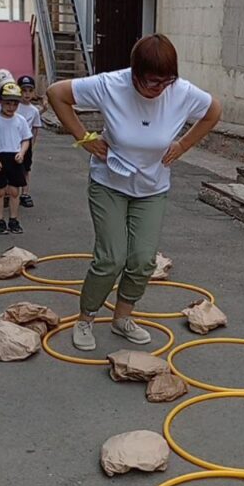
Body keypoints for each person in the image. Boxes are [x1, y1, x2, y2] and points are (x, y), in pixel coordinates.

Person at [47, 33, 222, 351]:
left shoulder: (180, 92)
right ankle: (86, 319)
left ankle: (122, 318)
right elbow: (56, 94)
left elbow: (214, 112)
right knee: (111, 258)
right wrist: (83, 136)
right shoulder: (109, 85)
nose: (160, 89)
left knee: (142, 260)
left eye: (166, 81)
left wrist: (183, 144)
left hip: (152, 188)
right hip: (109, 183)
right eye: (153, 82)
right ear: (135, 75)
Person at [0, 82, 32, 235]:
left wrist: (22, 153)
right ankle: (0, 220)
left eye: (14, 103)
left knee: (14, 191)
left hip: (15, 157)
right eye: (7, 103)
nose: (11, 107)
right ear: (0, 102)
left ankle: (13, 219)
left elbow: (26, 139)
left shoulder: (20, 120)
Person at [16, 75, 42, 208]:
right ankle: (10, 193)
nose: (27, 94)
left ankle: (24, 193)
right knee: (12, 167)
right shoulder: (14, 106)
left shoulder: (34, 111)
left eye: (29, 91)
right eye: (23, 90)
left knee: (26, 169)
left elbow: (35, 129)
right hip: (12, 142)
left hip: (26, 143)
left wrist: (32, 145)